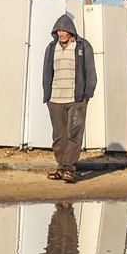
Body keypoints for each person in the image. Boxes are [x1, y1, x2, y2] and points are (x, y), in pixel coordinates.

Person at [41, 13, 96, 184]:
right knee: (58, 135)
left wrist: (87, 94)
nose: (61, 34)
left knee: (74, 134)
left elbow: (90, 72)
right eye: (58, 31)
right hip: (55, 99)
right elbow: (46, 72)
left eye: (64, 31)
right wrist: (47, 95)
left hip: (76, 99)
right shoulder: (51, 48)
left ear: (71, 31)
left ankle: (69, 169)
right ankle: (61, 167)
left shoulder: (83, 47)